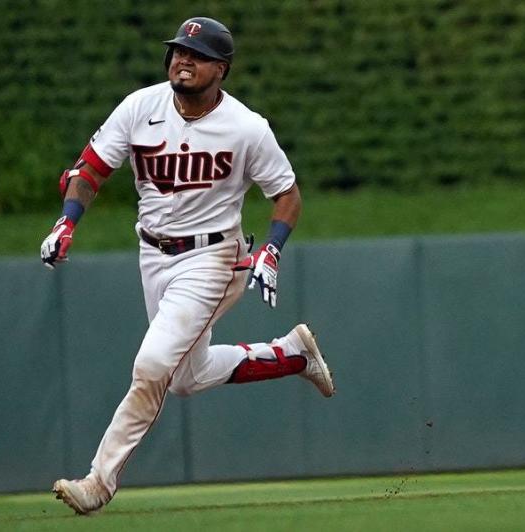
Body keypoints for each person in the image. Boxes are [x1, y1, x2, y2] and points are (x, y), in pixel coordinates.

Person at [41, 16, 335, 515]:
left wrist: (273, 249)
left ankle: (99, 482)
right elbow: (91, 168)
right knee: (183, 377)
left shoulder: (246, 127)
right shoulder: (140, 107)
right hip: (153, 255)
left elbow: (286, 194)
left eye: (196, 55)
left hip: (215, 258)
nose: (183, 59)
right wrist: (66, 221)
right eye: (178, 50)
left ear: (221, 68)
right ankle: (292, 355)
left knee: (153, 364)